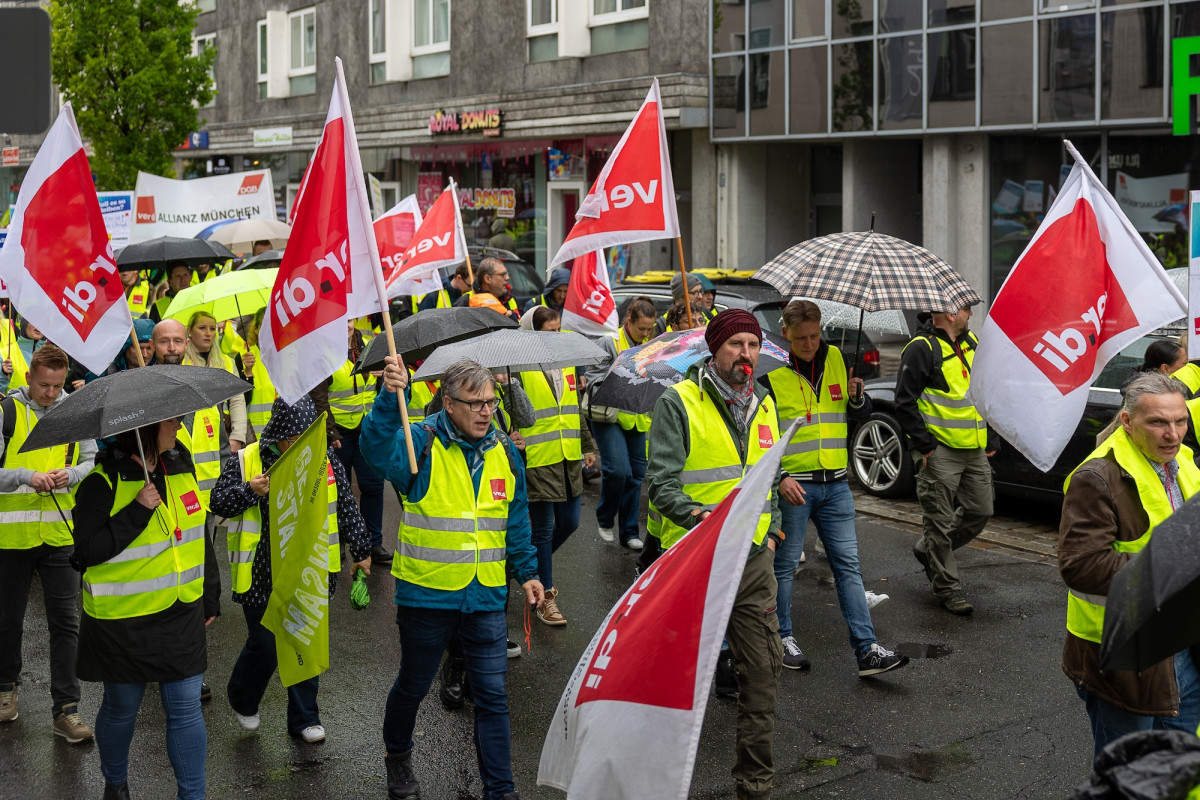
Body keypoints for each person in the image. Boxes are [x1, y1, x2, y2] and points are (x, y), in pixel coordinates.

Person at [360, 357, 543, 800]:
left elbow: (514, 515)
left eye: (490, 402)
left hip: (484, 598)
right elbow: (373, 447)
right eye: (474, 403)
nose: (485, 411)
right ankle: (397, 756)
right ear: (448, 402)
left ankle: (500, 790)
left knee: (493, 697)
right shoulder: (418, 442)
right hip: (428, 597)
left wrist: (527, 571)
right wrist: (389, 397)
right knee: (414, 685)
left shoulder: (502, 448)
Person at [645, 309, 785, 800]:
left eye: (752, 345)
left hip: (750, 560)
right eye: (735, 345)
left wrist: (774, 530)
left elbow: (768, 475)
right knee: (673, 678)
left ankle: (755, 780)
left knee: (763, 669)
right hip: (690, 557)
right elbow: (660, 483)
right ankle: (655, 780)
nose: (746, 355)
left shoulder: (766, 403)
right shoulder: (678, 402)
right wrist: (697, 517)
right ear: (715, 350)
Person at [72, 417, 221, 800]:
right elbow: (86, 553)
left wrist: (210, 593)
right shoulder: (101, 483)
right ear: (145, 429)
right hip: (124, 621)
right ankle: (116, 784)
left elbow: (196, 536)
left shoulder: (181, 469)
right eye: (171, 421)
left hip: (181, 612)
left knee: (186, 709)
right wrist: (137, 509)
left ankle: (193, 795)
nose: (178, 425)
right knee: (122, 708)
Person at [211, 396, 371, 743]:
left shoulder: (325, 459)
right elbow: (217, 502)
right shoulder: (246, 460)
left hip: (309, 565)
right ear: (278, 435)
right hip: (260, 572)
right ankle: (242, 695)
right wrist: (249, 491)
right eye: (292, 438)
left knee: (305, 638)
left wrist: (361, 549)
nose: (299, 444)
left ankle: (304, 718)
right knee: (266, 644)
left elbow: (345, 504)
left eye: (305, 436)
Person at [762, 300, 908, 677]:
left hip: (836, 483)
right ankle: (782, 638)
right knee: (784, 566)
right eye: (801, 338)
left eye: (814, 335)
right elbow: (762, 435)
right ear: (787, 334)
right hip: (794, 485)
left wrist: (858, 397)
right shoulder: (772, 370)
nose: (810, 344)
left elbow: (854, 414)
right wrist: (780, 478)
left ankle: (867, 650)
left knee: (849, 567)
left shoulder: (839, 359)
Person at [1059, 372, 1200, 759]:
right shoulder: (1097, 477)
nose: (1172, 434)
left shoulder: (1182, 460)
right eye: (1157, 422)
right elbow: (1081, 566)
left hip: (1183, 648)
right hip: (1125, 659)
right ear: (1126, 421)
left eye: (1180, 421)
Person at [0, 345, 98, 741]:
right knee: (8, 619)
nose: (51, 393)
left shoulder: (75, 409)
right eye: (43, 385)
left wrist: (70, 475)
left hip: (60, 533)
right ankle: (5, 690)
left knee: (66, 624)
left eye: (57, 386)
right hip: (11, 536)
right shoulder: (6, 412)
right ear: (29, 378)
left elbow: (91, 460)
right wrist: (24, 475)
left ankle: (67, 710)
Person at [894, 304, 996, 615]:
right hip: (939, 452)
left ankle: (927, 550)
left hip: (974, 448)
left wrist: (991, 437)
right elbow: (904, 401)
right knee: (938, 522)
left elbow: (983, 392)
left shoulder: (972, 343)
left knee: (981, 510)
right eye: (966, 309)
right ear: (951, 313)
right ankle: (948, 589)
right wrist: (925, 445)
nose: (971, 315)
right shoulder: (921, 349)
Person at [518, 306, 597, 626]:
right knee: (545, 528)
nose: (556, 336)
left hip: (567, 456)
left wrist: (588, 445)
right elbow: (513, 412)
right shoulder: (519, 364)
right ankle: (546, 599)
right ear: (533, 332)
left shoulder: (565, 360)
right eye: (549, 331)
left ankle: (529, 571)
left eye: (558, 330)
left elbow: (573, 408)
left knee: (571, 522)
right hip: (538, 459)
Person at [584, 297, 657, 550]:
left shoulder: (651, 344)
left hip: (637, 418)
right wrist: (618, 379)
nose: (646, 333)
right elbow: (592, 377)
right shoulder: (610, 341)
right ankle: (605, 518)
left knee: (636, 476)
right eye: (642, 329)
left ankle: (629, 532)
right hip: (609, 416)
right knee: (618, 471)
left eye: (650, 329)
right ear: (629, 322)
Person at [311, 320, 387, 563]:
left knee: (373, 487)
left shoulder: (367, 351)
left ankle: (372, 543)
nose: (346, 325)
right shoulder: (323, 356)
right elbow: (319, 399)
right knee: (339, 493)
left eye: (350, 320)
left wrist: (383, 375)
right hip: (339, 436)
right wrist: (330, 432)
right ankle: (340, 543)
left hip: (367, 431)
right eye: (339, 320)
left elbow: (377, 390)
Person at [234, 309, 275, 438]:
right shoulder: (243, 357)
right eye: (264, 326)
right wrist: (247, 372)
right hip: (255, 435)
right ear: (256, 329)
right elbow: (240, 401)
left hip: (286, 434)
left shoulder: (289, 355)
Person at [454, 257, 520, 319]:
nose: (507, 278)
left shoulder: (511, 299)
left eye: (507, 274)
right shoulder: (465, 302)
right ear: (487, 279)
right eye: (502, 274)